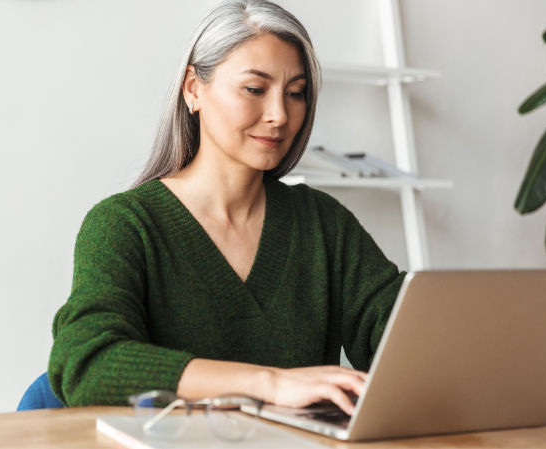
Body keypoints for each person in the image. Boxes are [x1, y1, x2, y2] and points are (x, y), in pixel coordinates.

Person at [48, 0, 406, 416]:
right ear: (193, 88)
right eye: (255, 89)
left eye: (296, 94)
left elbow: (401, 338)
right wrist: (269, 383)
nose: (279, 115)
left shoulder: (324, 224)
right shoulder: (124, 225)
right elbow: (87, 363)